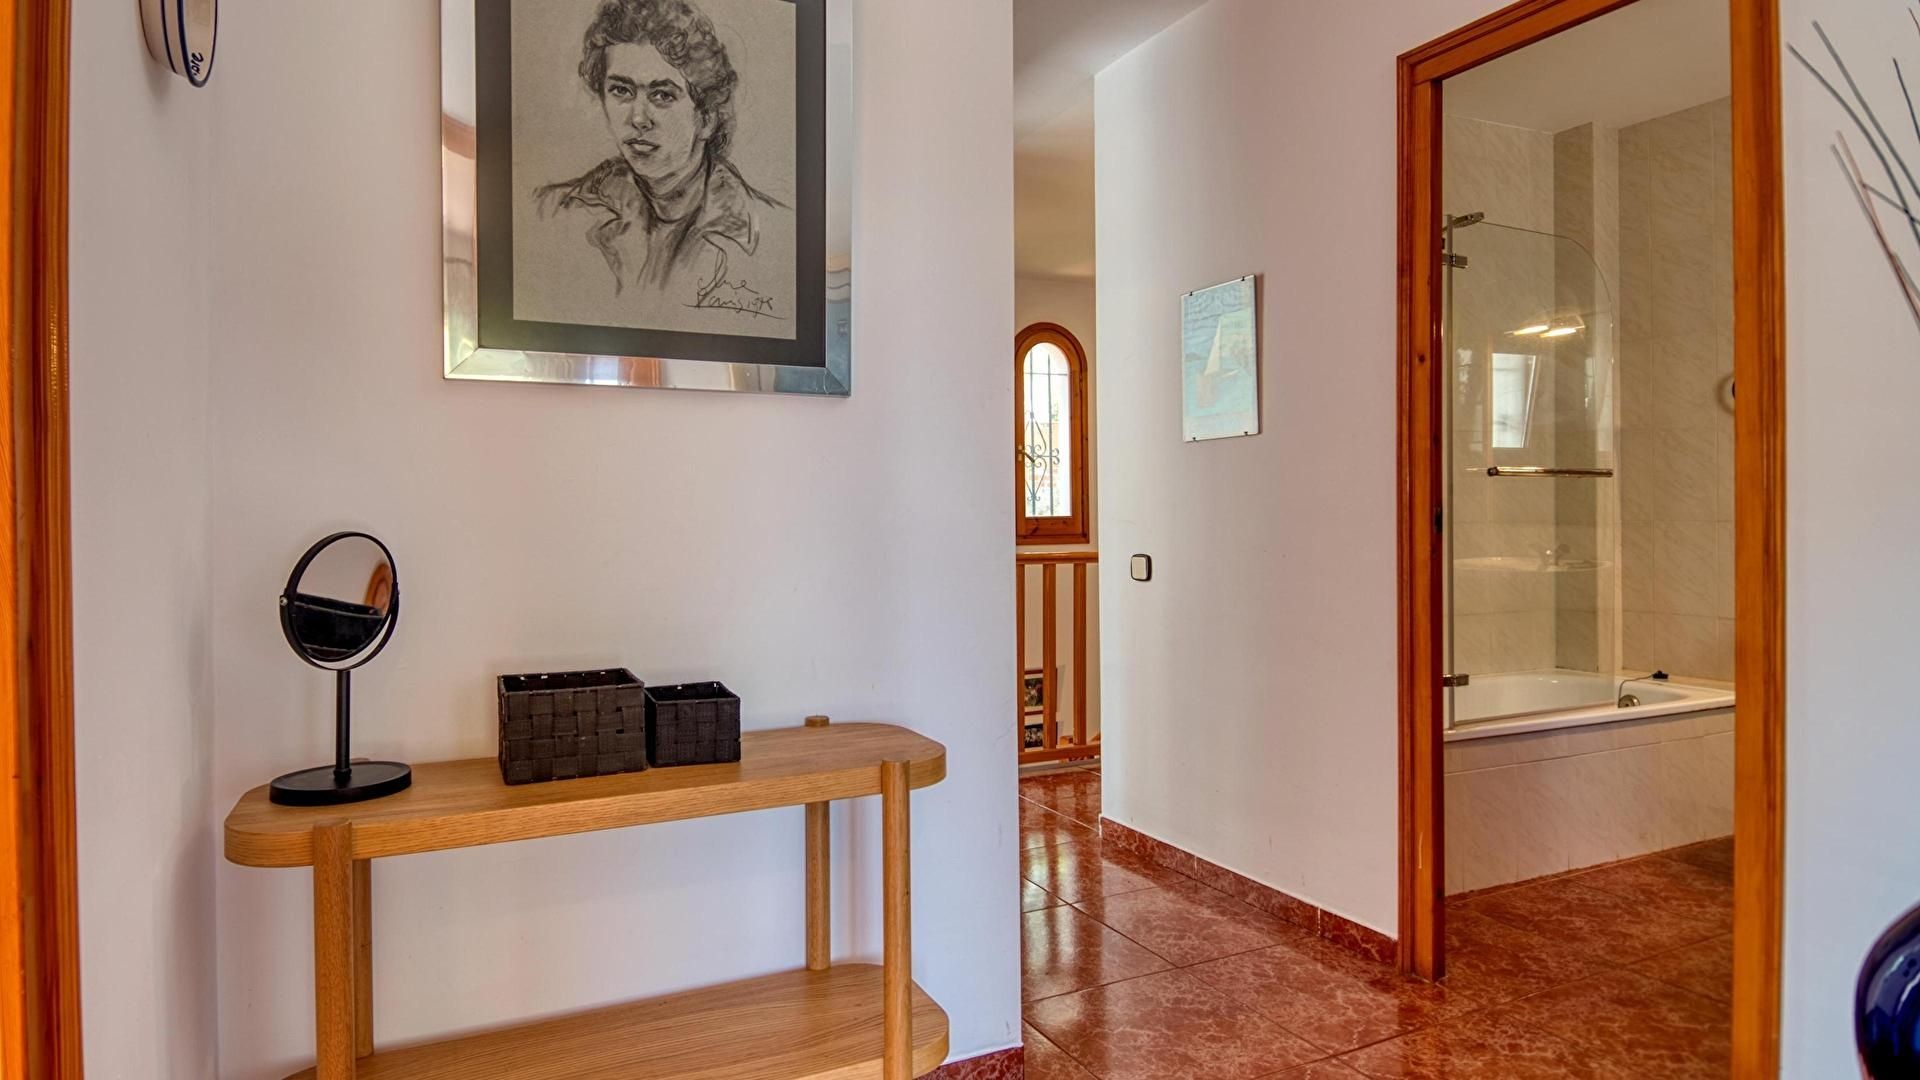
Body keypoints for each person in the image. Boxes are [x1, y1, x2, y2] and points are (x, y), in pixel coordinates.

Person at [534, 0, 793, 321]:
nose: (638, 118)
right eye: (621, 90)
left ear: (707, 119)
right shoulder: (553, 209)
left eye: (662, 95)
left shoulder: (774, 232)